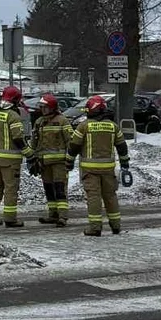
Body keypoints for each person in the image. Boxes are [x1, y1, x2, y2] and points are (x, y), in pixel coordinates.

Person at [68, 95, 131, 236]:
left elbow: (74, 146)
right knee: (110, 196)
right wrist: (125, 163)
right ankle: (116, 226)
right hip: (108, 169)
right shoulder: (113, 126)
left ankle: (95, 228)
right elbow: (122, 147)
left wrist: (69, 161)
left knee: (94, 197)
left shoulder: (84, 126)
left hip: (90, 170)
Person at [0, 86, 35, 227]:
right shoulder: (13, 116)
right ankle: (10, 218)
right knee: (11, 189)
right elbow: (18, 138)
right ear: (16, 100)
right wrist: (29, 153)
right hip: (10, 161)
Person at [31, 93, 72, 226]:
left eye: (45, 107)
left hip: (59, 163)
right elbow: (34, 142)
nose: (43, 110)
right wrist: (33, 159)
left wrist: (69, 159)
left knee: (60, 189)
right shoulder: (39, 122)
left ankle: (63, 216)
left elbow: (70, 141)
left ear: (52, 107)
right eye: (42, 107)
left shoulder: (62, 121)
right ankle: (53, 214)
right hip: (44, 163)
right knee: (48, 188)